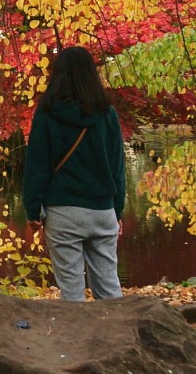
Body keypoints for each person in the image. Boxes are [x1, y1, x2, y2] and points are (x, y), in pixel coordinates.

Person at [22, 46, 127, 301]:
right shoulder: (107, 115)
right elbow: (117, 168)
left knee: (71, 292)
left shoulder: (48, 113)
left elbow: (37, 164)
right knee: (109, 288)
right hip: (102, 211)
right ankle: (118, 337)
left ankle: (77, 340)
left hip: (63, 212)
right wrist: (117, 210)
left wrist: (32, 209)